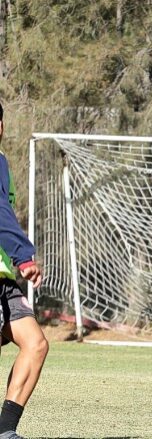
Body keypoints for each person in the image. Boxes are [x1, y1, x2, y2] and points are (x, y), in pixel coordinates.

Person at [0, 104, 49, 439]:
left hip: (2, 280)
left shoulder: (1, 161)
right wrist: (24, 256)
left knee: (35, 343)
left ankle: (5, 431)